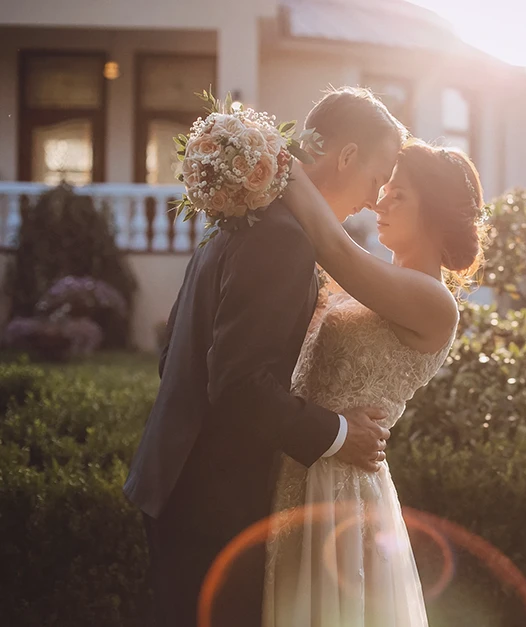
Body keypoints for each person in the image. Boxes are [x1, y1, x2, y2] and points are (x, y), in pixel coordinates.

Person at [123, 86, 406, 627]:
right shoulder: (282, 239)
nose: (374, 198)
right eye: (377, 177)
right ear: (346, 156)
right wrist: (341, 434)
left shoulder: (242, 217)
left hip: (175, 480)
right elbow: (237, 387)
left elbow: (172, 351)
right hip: (212, 501)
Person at [263, 138, 486, 626]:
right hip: (296, 462)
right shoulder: (366, 281)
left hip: (338, 486)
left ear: (434, 212)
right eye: (384, 188)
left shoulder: (434, 303)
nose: (380, 201)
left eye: (398, 194)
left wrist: (271, 157)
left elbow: (332, 245)